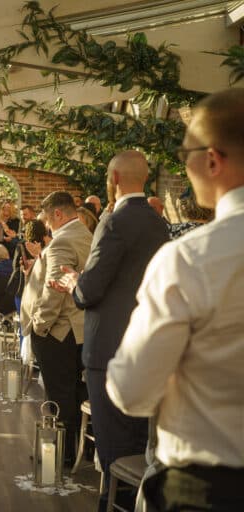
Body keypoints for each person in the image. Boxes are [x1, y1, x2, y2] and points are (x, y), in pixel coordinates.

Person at [107, 88, 244, 512]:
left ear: (213, 159)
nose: (184, 166)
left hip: (208, 486)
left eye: (186, 153)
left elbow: (132, 391)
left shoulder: (190, 258)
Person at [51, 151, 169, 510]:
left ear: (114, 178)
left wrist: (73, 281)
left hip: (109, 348)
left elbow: (90, 291)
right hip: (144, 344)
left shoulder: (115, 222)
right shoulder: (157, 222)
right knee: (137, 442)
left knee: (113, 446)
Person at [20, 191, 92, 464]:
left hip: (58, 332)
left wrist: (40, 325)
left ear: (58, 215)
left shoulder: (63, 241)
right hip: (76, 330)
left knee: (58, 395)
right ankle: (71, 451)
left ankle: (60, 455)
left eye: (48, 220)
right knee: (71, 392)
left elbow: (54, 291)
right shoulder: (84, 234)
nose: (47, 225)